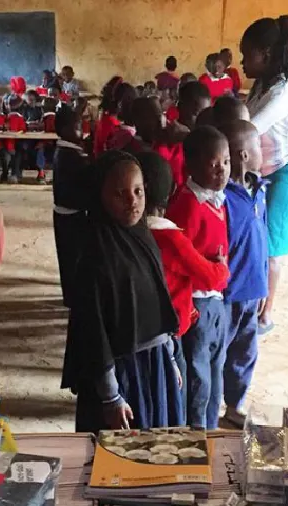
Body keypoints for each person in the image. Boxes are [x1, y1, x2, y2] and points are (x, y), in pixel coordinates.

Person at [62, 150, 181, 433]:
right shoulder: (94, 254)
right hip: (121, 374)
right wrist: (111, 397)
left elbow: (160, 306)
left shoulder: (144, 239)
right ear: (100, 197)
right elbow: (93, 332)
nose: (132, 201)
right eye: (120, 194)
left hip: (155, 363)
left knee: (158, 444)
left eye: (138, 191)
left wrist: (170, 359)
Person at [140, 151, 229, 427]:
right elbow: (209, 277)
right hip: (170, 330)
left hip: (140, 331)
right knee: (180, 388)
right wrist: (222, 267)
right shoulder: (171, 239)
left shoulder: (130, 233)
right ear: (171, 193)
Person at [241, 15, 288, 334]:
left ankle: (266, 315)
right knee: (259, 241)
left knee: (273, 250)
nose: (243, 62)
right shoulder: (261, 87)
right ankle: (254, 306)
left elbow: (247, 130)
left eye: (247, 55)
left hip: (286, 173)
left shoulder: (282, 93)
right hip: (265, 173)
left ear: (265, 54)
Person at [166, 126, 230, 430]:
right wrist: (216, 272)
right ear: (191, 165)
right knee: (198, 376)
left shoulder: (217, 199)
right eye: (213, 164)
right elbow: (183, 261)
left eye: (226, 162)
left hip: (216, 299)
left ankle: (211, 428)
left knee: (216, 370)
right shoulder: (188, 205)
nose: (222, 170)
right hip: (197, 303)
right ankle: (196, 433)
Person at [219, 119, 268, 428]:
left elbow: (262, 240)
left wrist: (264, 284)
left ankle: (234, 404)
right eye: (258, 146)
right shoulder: (222, 198)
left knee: (246, 352)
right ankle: (208, 408)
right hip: (228, 294)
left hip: (253, 290)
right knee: (219, 352)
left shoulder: (259, 189)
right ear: (244, 155)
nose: (264, 151)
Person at [52, 105, 89, 307]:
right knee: (73, 258)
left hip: (64, 213)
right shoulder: (71, 156)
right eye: (78, 126)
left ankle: (71, 296)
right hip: (71, 214)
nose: (82, 131)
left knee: (68, 258)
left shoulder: (66, 150)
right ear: (66, 130)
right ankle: (73, 299)